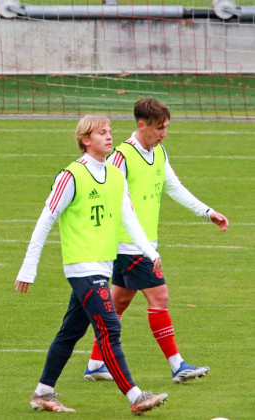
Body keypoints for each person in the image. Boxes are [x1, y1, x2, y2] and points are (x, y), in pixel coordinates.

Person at [15, 115, 168, 415]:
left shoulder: (115, 175)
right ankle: (136, 396)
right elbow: (45, 221)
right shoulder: (71, 176)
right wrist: (28, 268)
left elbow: (128, 218)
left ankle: (43, 392)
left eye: (110, 132)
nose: (110, 137)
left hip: (102, 266)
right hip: (81, 268)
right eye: (102, 133)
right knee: (110, 328)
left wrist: (150, 252)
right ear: (86, 140)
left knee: (71, 331)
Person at [83, 98, 229, 384]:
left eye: (166, 128)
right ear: (142, 125)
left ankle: (96, 363)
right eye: (159, 128)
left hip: (140, 244)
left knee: (118, 303)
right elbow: (106, 197)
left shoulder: (159, 151)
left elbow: (173, 185)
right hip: (130, 246)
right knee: (159, 297)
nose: (164, 133)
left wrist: (207, 212)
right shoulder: (121, 157)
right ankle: (178, 366)